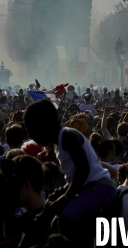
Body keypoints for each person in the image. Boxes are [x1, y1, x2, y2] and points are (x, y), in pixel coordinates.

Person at [24, 99, 116, 244]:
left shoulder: (67, 136)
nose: (30, 136)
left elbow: (84, 171)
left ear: (42, 126)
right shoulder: (59, 142)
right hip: (91, 188)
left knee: (65, 220)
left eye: (32, 130)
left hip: (99, 188)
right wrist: (60, 194)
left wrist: (65, 198)